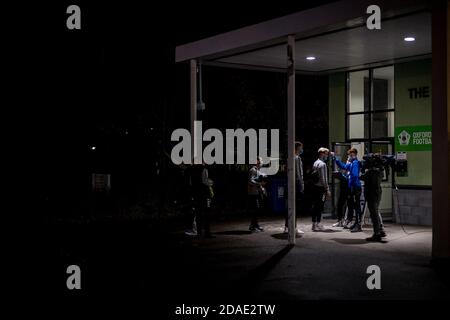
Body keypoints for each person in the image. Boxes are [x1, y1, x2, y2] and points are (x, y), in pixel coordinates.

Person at [332, 148, 363, 232]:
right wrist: (335, 158)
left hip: (355, 187)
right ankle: (356, 223)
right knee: (354, 205)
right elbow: (344, 166)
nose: (350, 156)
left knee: (356, 206)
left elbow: (354, 175)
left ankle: (358, 224)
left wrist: (350, 182)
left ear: (355, 154)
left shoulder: (355, 163)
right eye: (349, 155)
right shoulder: (352, 163)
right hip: (353, 186)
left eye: (351, 155)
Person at [361, 155, 387, 241]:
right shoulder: (380, 171)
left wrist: (362, 170)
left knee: (374, 214)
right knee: (376, 211)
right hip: (378, 193)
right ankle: (381, 230)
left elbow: (362, 177)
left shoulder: (370, 173)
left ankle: (377, 234)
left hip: (371, 194)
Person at [284, 142, 305, 235]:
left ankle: (287, 227)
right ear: (297, 148)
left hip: (289, 183)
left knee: (289, 206)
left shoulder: (289, 158)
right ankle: (294, 227)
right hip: (296, 183)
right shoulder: (297, 158)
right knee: (295, 206)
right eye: (301, 148)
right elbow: (299, 173)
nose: (302, 149)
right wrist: (302, 184)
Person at [192, 162, 214, 238]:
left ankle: (199, 232)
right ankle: (207, 232)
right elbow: (205, 181)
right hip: (204, 194)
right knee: (207, 213)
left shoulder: (193, 169)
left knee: (198, 213)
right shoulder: (204, 169)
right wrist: (211, 182)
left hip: (196, 194)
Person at [311, 147, 331, 231]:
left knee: (315, 206)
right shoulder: (323, 164)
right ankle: (318, 224)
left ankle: (314, 224)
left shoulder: (315, 163)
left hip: (315, 187)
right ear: (322, 154)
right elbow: (324, 178)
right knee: (319, 206)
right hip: (321, 188)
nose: (327, 156)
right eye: (326, 154)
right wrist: (327, 189)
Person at [248, 157, 267, 232]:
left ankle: (255, 225)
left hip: (257, 192)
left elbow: (259, 181)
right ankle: (253, 226)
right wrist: (259, 183)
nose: (262, 162)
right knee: (255, 209)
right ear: (257, 161)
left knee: (257, 209)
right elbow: (250, 181)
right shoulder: (253, 170)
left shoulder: (258, 171)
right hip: (253, 193)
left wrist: (262, 187)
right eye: (261, 160)